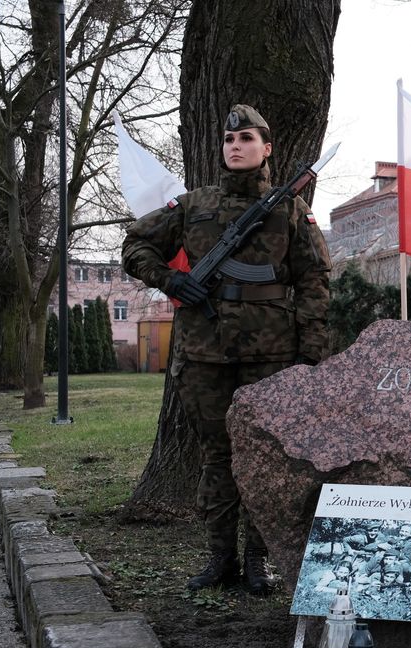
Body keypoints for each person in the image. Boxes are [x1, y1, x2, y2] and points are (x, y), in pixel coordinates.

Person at [122, 105, 331, 594]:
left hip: (272, 356)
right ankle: (220, 559)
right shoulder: (193, 206)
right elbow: (136, 246)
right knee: (217, 457)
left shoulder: (290, 210)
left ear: (267, 148)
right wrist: (170, 278)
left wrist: (310, 357)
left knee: (262, 457)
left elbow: (315, 282)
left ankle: (258, 560)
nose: (235, 146)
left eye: (246, 138)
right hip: (204, 353)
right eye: (229, 138)